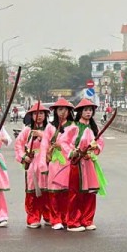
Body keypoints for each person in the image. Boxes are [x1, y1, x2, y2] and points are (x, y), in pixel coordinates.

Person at [65, 96, 105, 230]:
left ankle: (87, 220)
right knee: (75, 192)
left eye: (90, 110)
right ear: (80, 112)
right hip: (77, 163)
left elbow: (100, 142)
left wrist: (95, 148)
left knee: (90, 192)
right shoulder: (74, 127)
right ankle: (73, 221)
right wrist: (73, 151)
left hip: (89, 163)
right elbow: (64, 142)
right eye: (86, 110)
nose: (88, 112)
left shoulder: (94, 128)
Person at [16, 102, 53, 228]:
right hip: (32, 164)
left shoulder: (49, 129)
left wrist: (42, 136)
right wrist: (23, 157)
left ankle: (49, 215)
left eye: (42, 113)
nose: (39, 116)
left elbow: (55, 143)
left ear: (46, 115)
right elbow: (18, 145)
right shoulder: (27, 130)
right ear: (31, 116)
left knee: (48, 191)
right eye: (36, 114)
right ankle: (33, 217)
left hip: (46, 162)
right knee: (32, 191)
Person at [42, 98, 78, 230]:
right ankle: (55, 218)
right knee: (54, 192)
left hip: (68, 163)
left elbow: (75, 144)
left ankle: (67, 217)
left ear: (69, 111)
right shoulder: (50, 127)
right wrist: (43, 164)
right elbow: (44, 145)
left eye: (65, 109)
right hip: (54, 163)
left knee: (67, 192)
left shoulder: (74, 127)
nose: (63, 112)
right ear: (56, 111)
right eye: (60, 109)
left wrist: (63, 145)